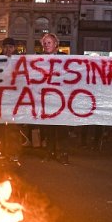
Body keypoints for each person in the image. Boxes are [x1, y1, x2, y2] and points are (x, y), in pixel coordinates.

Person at [39, 33, 70, 165]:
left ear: (56, 44)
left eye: (49, 43)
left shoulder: (65, 58)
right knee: (48, 129)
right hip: (47, 100)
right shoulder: (38, 60)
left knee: (61, 128)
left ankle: (62, 154)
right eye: (44, 43)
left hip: (61, 99)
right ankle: (49, 152)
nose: (46, 45)